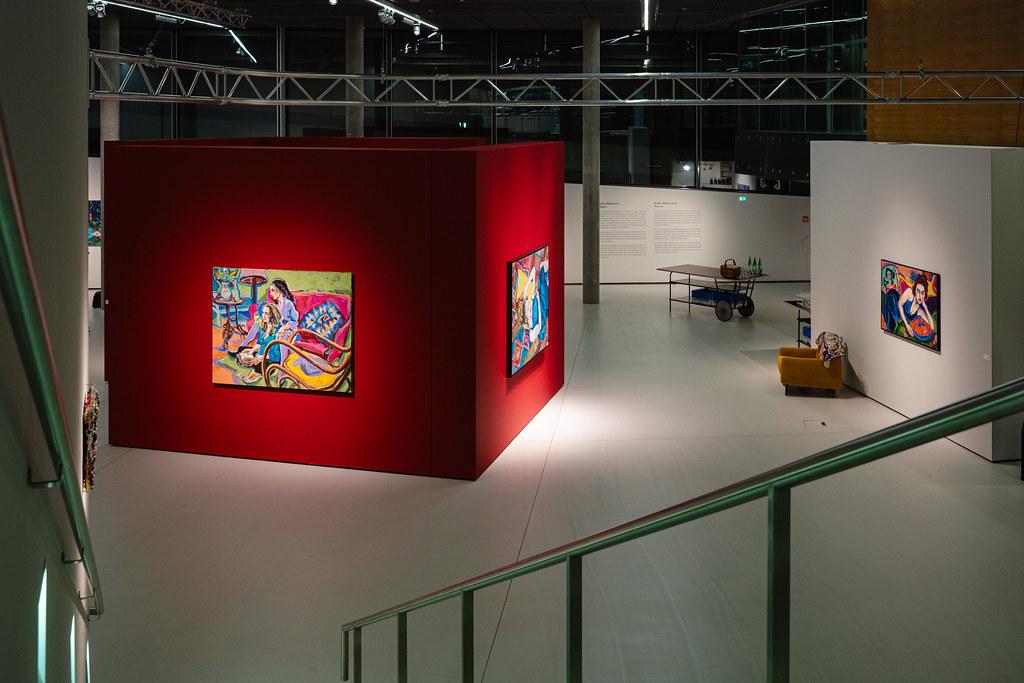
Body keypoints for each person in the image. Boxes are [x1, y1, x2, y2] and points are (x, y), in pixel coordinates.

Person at [237, 302, 283, 377]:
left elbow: (276, 354)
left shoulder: (278, 330)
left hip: (270, 358)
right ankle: (251, 362)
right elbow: (259, 343)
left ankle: (254, 372)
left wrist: (261, 357)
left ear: (272, 315)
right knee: (241, 349)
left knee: (260, 365)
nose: (263, 316)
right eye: (263, 313)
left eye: (267, 314)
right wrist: (251, 351)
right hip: (260, 353)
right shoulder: (263, 326)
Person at [897, 273, 935, 342]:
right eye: (918, 291)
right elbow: (899, 304)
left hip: (900, 320)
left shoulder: (919, 311)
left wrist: (925, 307)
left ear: (925, 295)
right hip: (896, 310)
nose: (920, 295)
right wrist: (907, 325)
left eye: (922, 293)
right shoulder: (909, 292)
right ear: (914, 290)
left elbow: (932, 328)